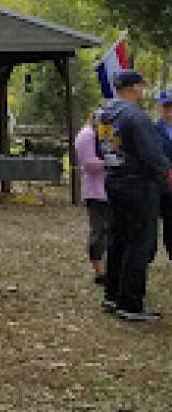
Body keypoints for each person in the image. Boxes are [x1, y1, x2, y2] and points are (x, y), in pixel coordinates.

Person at [96, 70, 171, 321]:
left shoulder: (103, 113)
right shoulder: (135, 116)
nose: (143, 90)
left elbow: (100, 149)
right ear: (133, 87)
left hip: (114, 179)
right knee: (139, 243)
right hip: (139, 185)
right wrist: (166, 173)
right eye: (141, 85)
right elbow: (152, 154)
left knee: (117, 238)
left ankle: (112, 294)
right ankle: (130, 302)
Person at [74, 112, 110, 283]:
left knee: (110, 232)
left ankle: (109, 269)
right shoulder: (87, 135)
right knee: (99, 232)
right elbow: (89, 164)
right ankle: (99, 272)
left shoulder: (103, 133)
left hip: (108, 192)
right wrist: (113, 162)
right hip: (96, 193)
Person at [156, 89, 172, 261]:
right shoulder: (153, 130)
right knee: (169, 222)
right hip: (164, 186)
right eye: (166, 106)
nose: (169, 110)